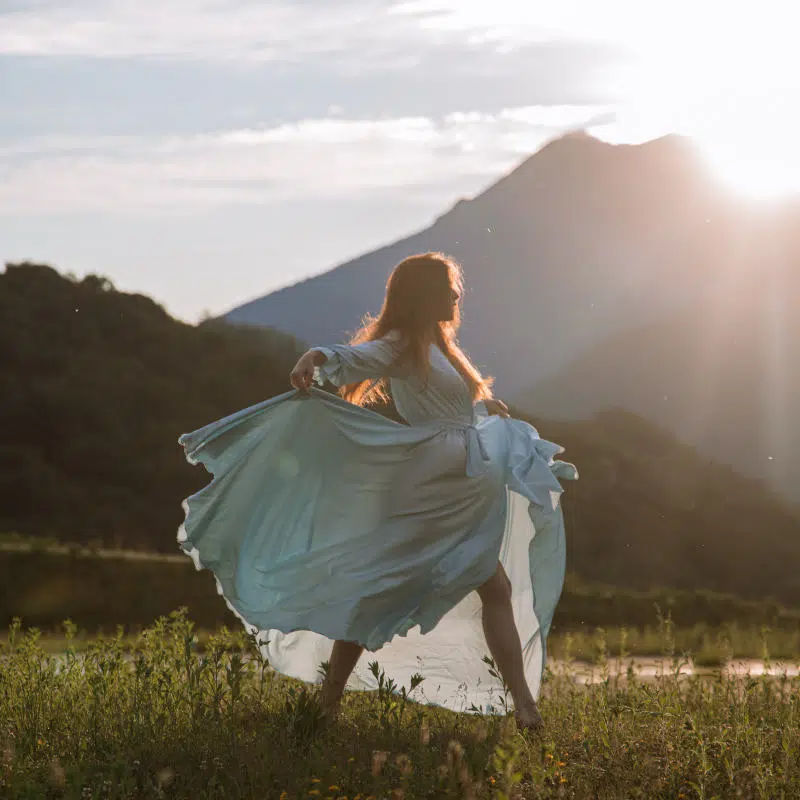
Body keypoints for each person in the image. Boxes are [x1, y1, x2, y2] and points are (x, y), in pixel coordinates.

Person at [177, 252, 577, 731]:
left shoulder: (440, 346)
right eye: (449, 287)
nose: (457, 295)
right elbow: (360, 357)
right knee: (393, 588)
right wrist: (319, 356)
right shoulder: (404, 343)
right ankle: (335, 704)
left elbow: (449, 406)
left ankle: (521, 707)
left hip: (459, 487)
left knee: (482, 586)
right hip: (431, 489)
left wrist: (483, 407)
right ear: (424, 294)